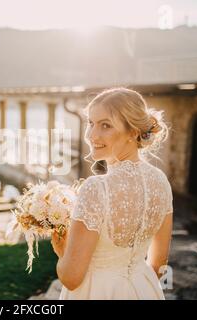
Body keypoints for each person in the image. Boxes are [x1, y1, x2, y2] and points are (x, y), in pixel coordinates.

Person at [51, 87, 173, 300]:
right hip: (145, 289)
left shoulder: (97, 188)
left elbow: (71, 278)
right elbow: (159, 263)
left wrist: (62, 248)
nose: (92, 135)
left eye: (105, 125)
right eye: (91, 123)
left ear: (133, 132)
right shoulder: (161, 182)